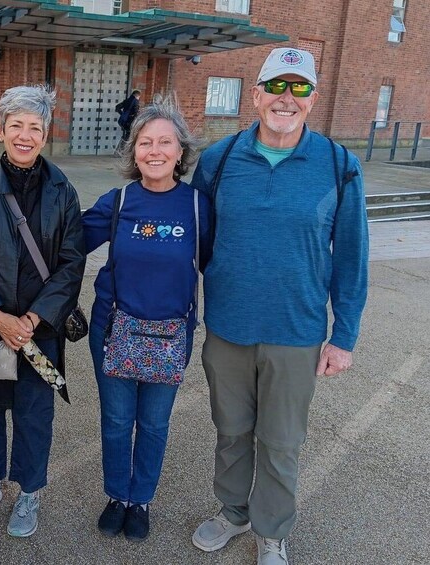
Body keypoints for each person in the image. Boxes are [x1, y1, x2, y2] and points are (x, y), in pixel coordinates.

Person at [189, 48, 368, 564]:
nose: (286, 100)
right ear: (257, 93)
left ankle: (272, 529)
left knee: (282, 440)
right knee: (232, 431)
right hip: (229, 328)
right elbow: (198, 244)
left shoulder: (338, 165)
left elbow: (352, 258)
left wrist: (344, 336)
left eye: (300, 89)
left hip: (297, 332)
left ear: (312, 99)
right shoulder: (219, 161)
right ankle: (232, 512)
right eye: (277, 86)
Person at [0, 85, 86, 538]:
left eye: (36, 128)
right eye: (17, 125)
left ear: (46, 135)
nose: (25, 136)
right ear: (1, 130)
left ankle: (28, 494)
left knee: (34, 411)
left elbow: (71, 263)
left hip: (38, 331)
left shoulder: (63, 191)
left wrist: (32, 319)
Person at [82, 99, 211, 541]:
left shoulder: (197, 207)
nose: (154, 150)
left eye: (164, 142)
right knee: (117, 421)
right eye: (144, 142)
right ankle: (118, 495)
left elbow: (221, 265)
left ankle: (141, 501)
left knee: (154, 424)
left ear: (180, 152)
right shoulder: (118, 201)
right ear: (133, 150)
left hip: (171, 334)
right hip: (114, 329)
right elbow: (65, 242)